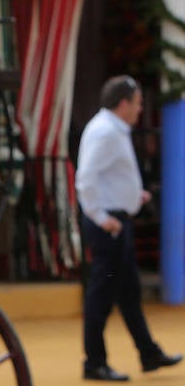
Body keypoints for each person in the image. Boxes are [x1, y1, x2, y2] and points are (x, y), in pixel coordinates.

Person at [75, 75, 181, 381]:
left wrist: (134, 196)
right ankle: (94, 362)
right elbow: (86, 179)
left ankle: (149, 353)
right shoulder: (106, 132)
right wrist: (100, 215)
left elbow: (109, 177)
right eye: (137, 102)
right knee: (101, 296)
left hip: (116, 221)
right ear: (123, 103)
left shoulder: (112, 129)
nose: (140, 108)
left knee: (128, 293)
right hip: (109, 225)